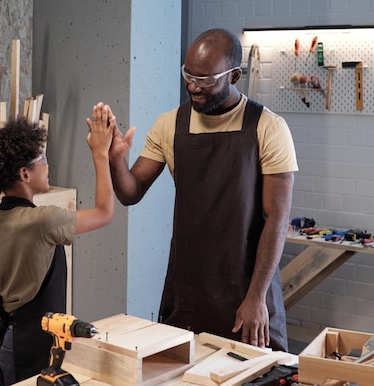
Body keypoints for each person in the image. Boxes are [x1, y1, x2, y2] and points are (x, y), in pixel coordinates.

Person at [106, 28, 298, 352]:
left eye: (205, 80)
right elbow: (131, 192)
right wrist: (115, 160)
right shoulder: (170, 124)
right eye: (188, 75)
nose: (193, 87)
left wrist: (256, 298)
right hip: (188, 294)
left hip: (246, 292)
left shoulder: (269, 127)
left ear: (235, 75)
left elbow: (276, 220)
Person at [0, 103, 115, 385]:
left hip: (8, 345)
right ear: (25, 174)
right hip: (35, 349)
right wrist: (100, 153)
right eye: (42, 159)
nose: (48, 166)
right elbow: (104, 213)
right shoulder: (44, 221)